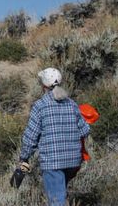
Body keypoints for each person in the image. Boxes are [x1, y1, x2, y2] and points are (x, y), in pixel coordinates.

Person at [19, 68, 90, 206]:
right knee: (60, 195)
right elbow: (85, 130)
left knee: (57, 201)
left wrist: (24, 157)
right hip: (74, 162)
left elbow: (30, 137)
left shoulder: (40, 106)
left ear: (43, 86)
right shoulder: (72, 104)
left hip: (53, 162)